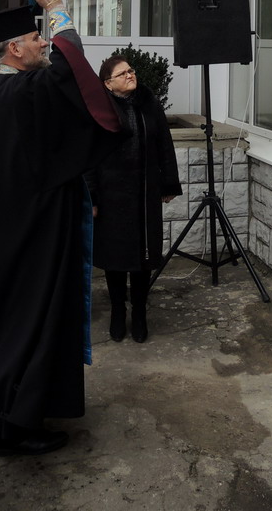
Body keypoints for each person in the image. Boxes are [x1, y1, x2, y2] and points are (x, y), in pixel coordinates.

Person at [0, 0, 121, 457]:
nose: (43, 44)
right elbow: (73, 72)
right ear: (14, 49)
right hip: (33, 235)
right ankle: (15, 426)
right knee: (29, 322)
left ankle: (9, 416)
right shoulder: (21, 91)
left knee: (12, 321)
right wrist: (55, 8)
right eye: (36, 39)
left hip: (14, 231)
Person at [86, 55, 182, 344]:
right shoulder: (98, 109)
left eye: (131, 70)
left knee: (144, 256)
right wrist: (91, 197)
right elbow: (89, 157)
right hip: (111, 196)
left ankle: (139, 312)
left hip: (144, 193)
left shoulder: (149, 103)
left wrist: (168, 182)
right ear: (107, 83)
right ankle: (118, 310)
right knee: (115, 258)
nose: (130, 75)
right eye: (122, 73)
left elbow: (164, 143)